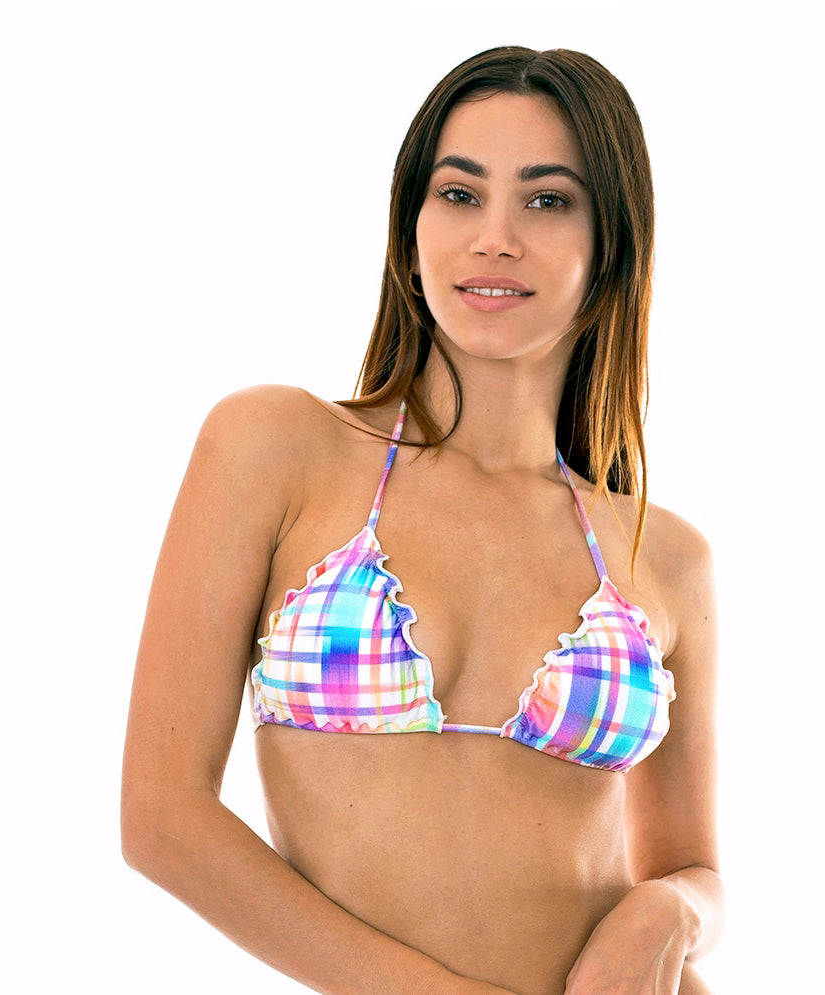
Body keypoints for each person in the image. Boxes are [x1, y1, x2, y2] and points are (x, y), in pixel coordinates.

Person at [121, 45, 723, 995]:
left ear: (611, 244)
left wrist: (675, 907)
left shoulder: (663, 553)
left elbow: (692, 866)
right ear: (409, 233)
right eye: (458, 194)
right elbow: (160, 816)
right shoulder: (275, 447)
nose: (494, 237)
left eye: (546, 199)